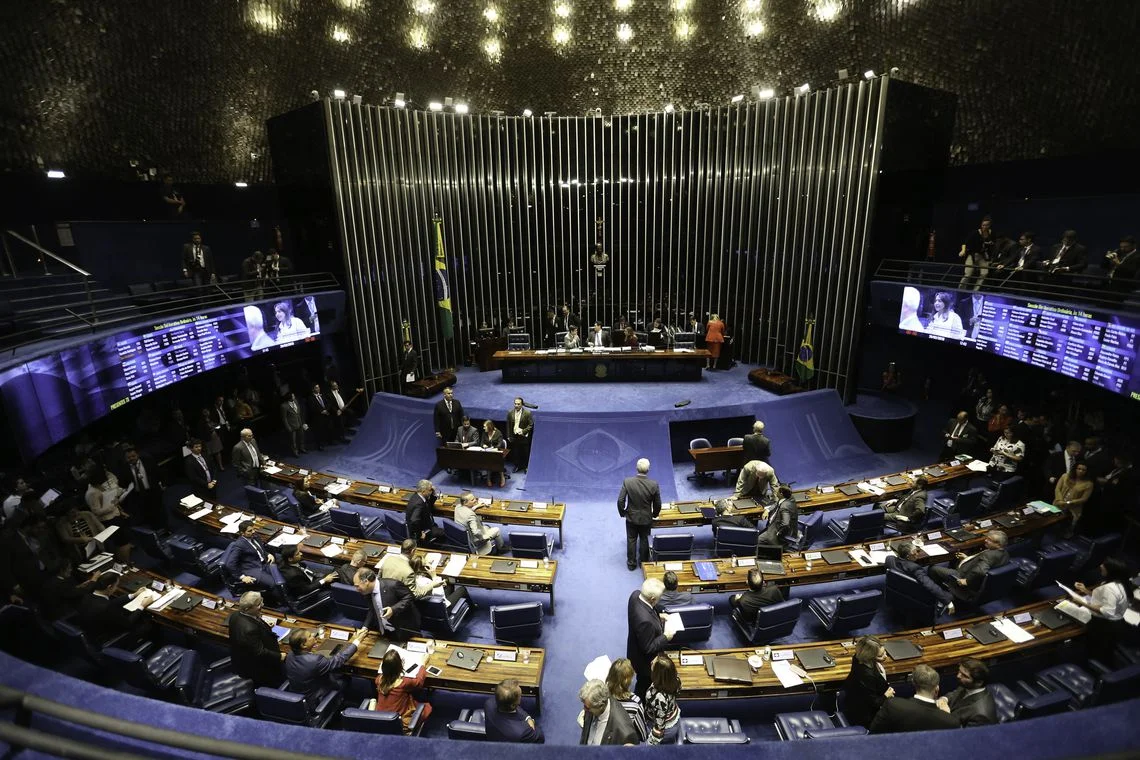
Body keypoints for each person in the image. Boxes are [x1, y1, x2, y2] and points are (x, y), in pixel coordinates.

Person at [926, 530, 1009, 614]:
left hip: (963, 578)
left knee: (933, 569)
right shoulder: (1005, 554)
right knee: (955, 560)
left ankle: (938, 594)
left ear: (998, 544)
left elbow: (980, 571)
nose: (986, 540)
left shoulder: (988, 555)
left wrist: (966, 581)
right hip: (980, 583)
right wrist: (967, 558)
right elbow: (984, 564)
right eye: (987, 538)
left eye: (989, 540)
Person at [284, 626, 367, 705]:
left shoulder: (290, 655)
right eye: (309, 636)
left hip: (298, 696)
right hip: (315, 701)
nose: (313, 635)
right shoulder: (316, 661)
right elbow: (339, 660)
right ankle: (341, 702)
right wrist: (356, 641)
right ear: (303, 645)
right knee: (345, 677)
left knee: (335, 673)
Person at [869, 664, 959, 733]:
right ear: (937, 689)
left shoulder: (892, 705)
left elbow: (874, 733)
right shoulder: (950, 721)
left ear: (913, 683)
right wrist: (947, 715)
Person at [1070, 557, 1130, 655]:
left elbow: (1106, 611)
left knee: (1096, 651)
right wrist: (1085, 591)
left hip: (1104, 626)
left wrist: (1083, 603)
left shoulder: (1109, 589)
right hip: (1117, 623)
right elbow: (1105, 599)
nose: (1100, 566)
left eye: (1104, 565)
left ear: (1111, 571)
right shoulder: (1121, 582)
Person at [626, 578, 675, 699]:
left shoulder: (635, 595)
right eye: (659, 598)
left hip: (634, 644)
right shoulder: (645, 621)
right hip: (644, 662)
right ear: (652, 599)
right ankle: (641, 702)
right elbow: (648, 647)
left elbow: (649, 609)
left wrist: (659, 616)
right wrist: (665, 637)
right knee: (644, 684)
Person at [227, 591, 286, 686]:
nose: (262, 605)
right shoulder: (249, 630)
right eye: (258, 604)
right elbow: (260, 652)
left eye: (261, 601)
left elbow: (255, 623)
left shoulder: (235, 615)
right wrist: (280, 656)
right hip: (259, 668)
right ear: (247, 608)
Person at [617, 458, 662, 571]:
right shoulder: (653, 484)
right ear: (648, 470)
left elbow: (620, 500)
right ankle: (643, 563)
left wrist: (623, 512)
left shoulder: (628, 482)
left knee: (631, 539)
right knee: (644, 539)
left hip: (631, 517)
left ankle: (631, 564)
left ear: (637, 468)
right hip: (646, 518)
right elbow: (658, 504)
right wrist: (654, 514)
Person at [841, 636, 894, 728]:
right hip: (865, 714)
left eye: (884, 651)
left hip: (855, 696)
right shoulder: (867, 675)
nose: (886, 656)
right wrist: (886, 695)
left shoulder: (858, 657)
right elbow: (873, 703)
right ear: (870, 657)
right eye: (880, 655)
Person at [354, 567, 421, 641]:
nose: (356, 589)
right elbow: (372, 610)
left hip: (404, 630)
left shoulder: (393, 585)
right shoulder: (367, 592)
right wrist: (365, 627)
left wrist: (393, 609)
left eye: (357, 586)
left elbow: (409, 597)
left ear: (366, 582)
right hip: (385, 632)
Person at [578, 679, 641, 745]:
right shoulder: (591, 704)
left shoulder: (625, 733)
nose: (584, 709)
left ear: (601, 706)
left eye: (587, 708)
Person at [225, 521, 282, 594]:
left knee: (282, 575)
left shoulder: (255, 536)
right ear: (242, 533)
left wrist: (267, 554)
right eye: (250, 531)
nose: (253, 532)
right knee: (273, 583)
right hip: (252, 568)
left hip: (265, 563)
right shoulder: (239, 545)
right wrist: (242, 577)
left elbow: (260, 549)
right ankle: (282, 602)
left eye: (253, 529)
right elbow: (230, 564)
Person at [940, 658, 997, 727]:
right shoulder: (969, 686)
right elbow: (955, 693)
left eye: (964, 675)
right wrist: (944, 699)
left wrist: (947, 716)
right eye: (959, 671)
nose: (958, 676)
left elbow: (965, 735)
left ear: (979, 682)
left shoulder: (981, 715)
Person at [484, 679, 544, 743]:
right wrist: (531, 723)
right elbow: (540, 737)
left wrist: (527, 718)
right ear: (512, 705)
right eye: (520, 696)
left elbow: (516, 708)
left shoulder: (489, 704)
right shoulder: (523, 732)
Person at [605, 658, 648, 742]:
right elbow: (643, 735)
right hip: (626, 746)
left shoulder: (602, 698)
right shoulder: (635, 703)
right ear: (628, 681)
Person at [643, 654, 682, 745]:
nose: (651, 662)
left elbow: (659, 728)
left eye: (654, 663)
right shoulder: (676, 679)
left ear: (658, 674)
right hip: (673, 716)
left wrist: (648, 746)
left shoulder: (657, 697)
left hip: (665, 730)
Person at [455, 491, 503, 555]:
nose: (475, 500)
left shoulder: (457, 507)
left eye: (474, 498)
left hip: (465, 537)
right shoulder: (471, 516)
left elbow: (466, 512)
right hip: (475, 540)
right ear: (465, 502)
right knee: (497, 529)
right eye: (472, 500)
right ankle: (501, 549)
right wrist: (482, 538)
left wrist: (476, 506)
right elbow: (475, 532)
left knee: (487, 527)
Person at [1055, 462, 1094, 537]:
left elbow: (1084, 499)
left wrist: (1069, 503)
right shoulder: (1065, 476)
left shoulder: (1089, 484)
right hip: (1058, 504)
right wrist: (1059, 500)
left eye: (1083, 470)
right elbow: (1057, 489)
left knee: (1067, 529)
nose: (1080, 471)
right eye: (1079, 469)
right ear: (1075, 469)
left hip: (1073, 509)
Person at [958, 215, 995, 291]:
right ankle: (961, 290)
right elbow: (965, 242)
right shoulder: (976, 233)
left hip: (983, 256)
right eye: (983, 225)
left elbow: (992, 245)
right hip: (973, 255)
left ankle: (975, 290)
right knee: (968, 274)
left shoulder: (991, 234)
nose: (984, 227)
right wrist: (963, 250)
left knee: (984, 273)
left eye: (986, 225)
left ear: (989, 225)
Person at [405, 479, 444, 545]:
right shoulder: (419, 504)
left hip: (426, 524)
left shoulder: (417, 496)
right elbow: (414, 520)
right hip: (425, 529)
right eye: (430, 490)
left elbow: (428, 506)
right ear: (423, 491)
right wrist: (420, 534)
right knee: (444, 533)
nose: (431, 491)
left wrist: (433, 494)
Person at [506, 397, 533, 473]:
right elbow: (508, 424)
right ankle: (517, 466)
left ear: (522, 404)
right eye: (515, 404)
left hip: (524, 437)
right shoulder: (510, 412)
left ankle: (526, 467)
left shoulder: (527, 413)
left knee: (525, 452)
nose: (516, 405)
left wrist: (524, 431)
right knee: (516, 453)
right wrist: (508, 435)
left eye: (518, 404)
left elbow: (530, 425)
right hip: (515, 436)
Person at [306, 383, 332, 450]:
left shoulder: (322, 395)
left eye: (319, 387)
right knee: (319, 432)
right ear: (313, 389)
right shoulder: (310, 398)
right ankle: (320, 445)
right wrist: (321, 411)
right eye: (317, 387)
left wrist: (326, 410)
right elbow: (312, 408)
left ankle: (329, 441)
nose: (318, 388)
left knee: (327, 428)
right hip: (317, 417)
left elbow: (328, 403)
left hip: (326, 415)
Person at [280, 391, 307, 456]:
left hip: (299, 423)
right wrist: (288, 427)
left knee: (301, 437)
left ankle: (302, 448)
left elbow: (299, 412)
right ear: (289, 397)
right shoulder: (284, 406)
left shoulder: (296, 401)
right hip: (292, 425)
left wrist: (303, 422)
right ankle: (295, 451)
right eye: (293, 396)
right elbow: (284, 418)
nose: (294, 397)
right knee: (293, 440)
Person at [482, 420, 507, 487]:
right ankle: (488, 478)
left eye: (485, 427)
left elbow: (500, 444)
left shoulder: (498, 433)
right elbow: (481, 443)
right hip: (487, 452)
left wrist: (495, 448)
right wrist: (483, 445)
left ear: (489, 427)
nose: (483, 428)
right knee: (488, 460)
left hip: (497, 452)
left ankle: (502, 478)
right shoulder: (484, 433)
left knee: (497, 460)